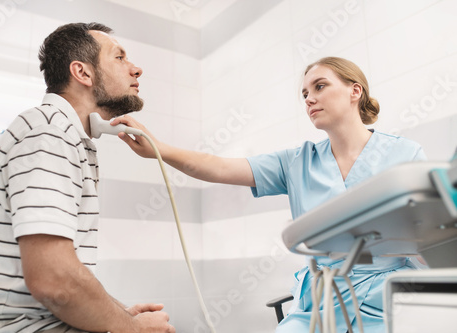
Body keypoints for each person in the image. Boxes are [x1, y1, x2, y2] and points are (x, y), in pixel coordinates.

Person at [112, 57, 426, 332]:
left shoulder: (405, 154)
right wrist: (158, 148)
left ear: (354, 91)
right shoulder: (297, 161)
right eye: (304, 93)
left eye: (319, 87)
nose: (309, 99)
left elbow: (433, 233)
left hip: (387, 298)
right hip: (318, 305)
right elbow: (218, 168)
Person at [0, 22, 175, 333]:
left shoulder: (61, 134)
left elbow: (64, 273)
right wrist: (135, 329)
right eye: (120, 58)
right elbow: (53, 281)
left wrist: (122, 314)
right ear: (83, 73)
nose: (136, 69)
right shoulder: (50, 134)